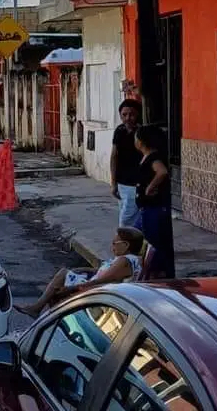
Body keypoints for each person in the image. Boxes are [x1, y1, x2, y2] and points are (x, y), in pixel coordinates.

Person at [15, 227, 146, 317]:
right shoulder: (130, 260)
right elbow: (104, 272)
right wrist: (84, 269)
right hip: (97, 285)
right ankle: (40, 309)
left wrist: (72, 288)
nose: (112, 247)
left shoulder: (124, 261)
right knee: (64, 276)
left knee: (61, 280)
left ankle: (38, 309)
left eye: (115, 243)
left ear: (126, 245)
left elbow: (101, 280)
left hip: (97, 290)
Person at [136, 124, 176, 279]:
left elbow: (162, 172)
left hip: (154, 208)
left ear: (141, 141)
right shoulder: (145, 157)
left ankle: (157, 273)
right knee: (144, 237)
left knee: (155, 242)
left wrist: (150, 188)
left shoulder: (154, 157)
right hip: (146, 208)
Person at [111, 98, 143, 228]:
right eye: (124, 115)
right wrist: (113, 183)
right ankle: (134, 246)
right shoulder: (119, 131)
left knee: (125, 222)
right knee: (129, 219)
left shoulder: (141, 133)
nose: (128, 118)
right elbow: (114, 156)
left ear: (137, 115)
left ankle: (124, 246)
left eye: (131, 114)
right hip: (121, 183)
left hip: (135, 184)